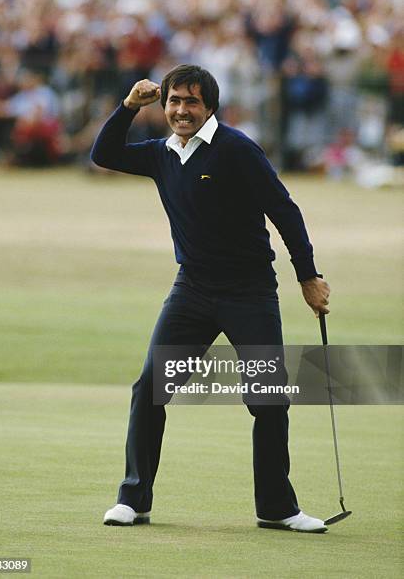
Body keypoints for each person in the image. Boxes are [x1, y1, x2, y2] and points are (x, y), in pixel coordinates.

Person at [91, 64, 331, 533]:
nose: (181, 110)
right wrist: (126, 107)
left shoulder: (238, 149)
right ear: (164, 107)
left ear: (210, 108)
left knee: (267, 400)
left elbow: (284, 210)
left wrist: (308, 277)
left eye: (191, 102)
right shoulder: (162, 153)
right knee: (150, 389)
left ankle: (277, 508)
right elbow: (104, 154)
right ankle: (133, 499)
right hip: (192, 290)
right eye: (174, 101)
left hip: (250, 292)